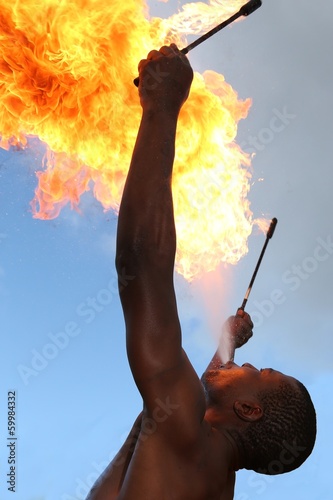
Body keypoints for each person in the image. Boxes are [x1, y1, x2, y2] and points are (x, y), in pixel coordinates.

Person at [87, 44, 316, 500]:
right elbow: (189, 389)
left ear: (249, 409)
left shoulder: (187, 434)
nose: (247, 363)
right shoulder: (205, 466)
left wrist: (162, 105)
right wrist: (225, 345)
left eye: (261, 369)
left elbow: (140, 263)